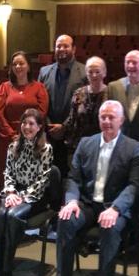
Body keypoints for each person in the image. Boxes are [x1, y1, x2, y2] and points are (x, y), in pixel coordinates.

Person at [43, 100, 139, 276]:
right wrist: (71, 201)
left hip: (114, 207)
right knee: (65, 219)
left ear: (121, 120)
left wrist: (116, 208)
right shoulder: (86, 143)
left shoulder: (133, 147)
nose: (107, 121)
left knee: (109, 227)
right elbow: (74, 178)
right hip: (88, 204)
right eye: (103, 117)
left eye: (112, 117)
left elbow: (135, 186)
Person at [0, 108, 54, 276]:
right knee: (1, 213)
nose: (27, 127)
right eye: (24, 123)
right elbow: (7, 172)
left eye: (31, 124)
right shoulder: (13, 146)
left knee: (12, 217)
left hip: (35, 197)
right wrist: (10, 193)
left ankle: (6, 268)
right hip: (13, 193)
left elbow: (42, 180)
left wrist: (21, 197)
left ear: (40, 127)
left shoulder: (46, 149)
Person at [0, 50, 48, 197]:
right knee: (6, 174)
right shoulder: (4, 87)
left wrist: (28, 133)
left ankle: (27, 206)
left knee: (30, 175)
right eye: (15, 64)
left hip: (33, 138)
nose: (18, 66)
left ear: (29, 66)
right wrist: (13, 135)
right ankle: (1, 209)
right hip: (8, 138)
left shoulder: (39, 88)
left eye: (21, 63)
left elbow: (41, 113)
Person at [39, 34, 87, 176]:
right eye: (58, 46)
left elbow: (84, 105)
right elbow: (40, 102)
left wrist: (64, 127)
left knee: (70, 177)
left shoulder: (84, 72)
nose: (61, 49)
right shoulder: (44, 72)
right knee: (49, 177)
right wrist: (49, 125)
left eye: (66, 46)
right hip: (49, 134)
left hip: (73, 136)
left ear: (74, 49)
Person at [62, 55, 109, 149]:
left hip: (103, 145)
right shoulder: (78, 93)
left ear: (104, 73)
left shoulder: (111, 93)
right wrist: (61, 128)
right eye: (90, 72)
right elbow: (72, 118)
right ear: (86, 74)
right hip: (80, 145)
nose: (94, 75)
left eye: (97, 71)